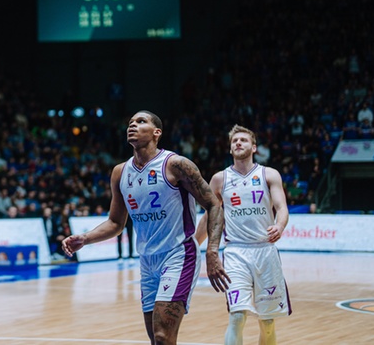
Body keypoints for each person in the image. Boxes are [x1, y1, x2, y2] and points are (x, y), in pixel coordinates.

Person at [61, 111, 230, 345]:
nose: (132, 125)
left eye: (141, 122)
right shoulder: (120, 172)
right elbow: (115, 223)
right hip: (147, 261)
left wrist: (212, 251)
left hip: (178, 254)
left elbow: (213, 204)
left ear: (156, 132)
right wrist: (85, 238)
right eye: (130, 122)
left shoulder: (176, 164)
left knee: (162, 336)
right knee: (155, 339)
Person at [194, 125, 291, 345]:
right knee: (237, 316)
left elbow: (282, 207)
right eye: (234, 141)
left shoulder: (269, 174)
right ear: (230, 149)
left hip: (265, 251)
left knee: (267, 322)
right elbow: (209, 217)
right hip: (236, 252)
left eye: (243, 140)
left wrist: (280, 225)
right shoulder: (219, 179)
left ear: (254, 147)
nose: (238, 143)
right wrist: (193, 246)